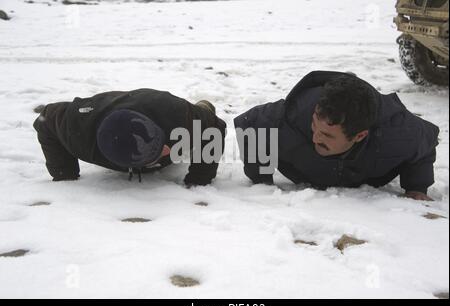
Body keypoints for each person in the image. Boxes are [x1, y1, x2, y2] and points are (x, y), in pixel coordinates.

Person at [234, 71, 440, 201]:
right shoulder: (290, 117)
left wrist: (416, 186)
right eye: (314, 126)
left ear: (359, 136)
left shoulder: (399, 133)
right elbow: (250, 123)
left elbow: (427, 141)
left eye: (326, 135)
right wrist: (260, 178)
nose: (315, 138)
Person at [34, 88, 226, 186]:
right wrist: (64, 173)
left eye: (161, 144)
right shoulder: (77, 134)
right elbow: (45, 121)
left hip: (156, 107)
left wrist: (199, 179)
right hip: (100, 111)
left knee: (202, 114)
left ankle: (203, 105)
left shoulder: (176, 115)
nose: (167, 150)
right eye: (156, 153)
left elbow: (216, 127)